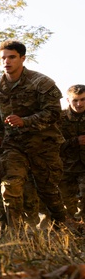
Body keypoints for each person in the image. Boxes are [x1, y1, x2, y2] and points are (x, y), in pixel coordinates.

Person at [0, 40, 69, 233]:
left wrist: (26, 121)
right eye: (3, 58)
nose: (7, 61)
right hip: (14, 145)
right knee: (11, 187)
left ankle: (62, 226)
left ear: (22, 58)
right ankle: (14, 234)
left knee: (48, 190)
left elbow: (54, 113)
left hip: (43, 144)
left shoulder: (41, 83)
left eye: (12, 57)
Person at [59, 84, 85, 222]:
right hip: (66, 169)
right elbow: (51, 144)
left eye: (82, 99)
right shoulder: (59, 119)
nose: (79, 104)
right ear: (68, 100)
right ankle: (72, 235)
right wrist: (74, 141)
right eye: (75, 100)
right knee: (68, 205)